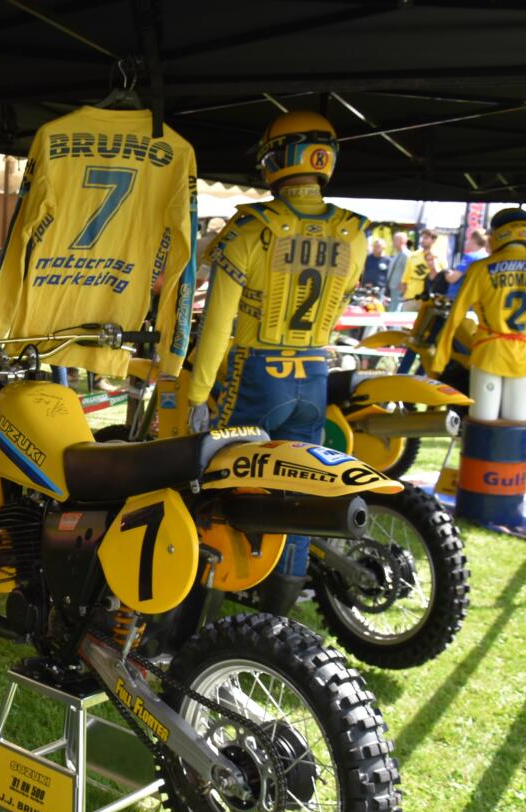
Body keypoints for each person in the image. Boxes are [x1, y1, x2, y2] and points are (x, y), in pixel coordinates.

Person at [186, 111, 368, 616]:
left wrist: (198, 393)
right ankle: (278, 609)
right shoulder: (353, 233)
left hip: (256, 373)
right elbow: (341, 299)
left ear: (274, 160)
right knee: (297, 493)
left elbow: (217, 325)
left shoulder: (252, 228)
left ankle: (207, 604)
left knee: (219, 484)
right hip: (313, 373)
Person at [434, 208, 526, 423]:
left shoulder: (481, 268)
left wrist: (439, 360)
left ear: (500, 234)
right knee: (517, 425)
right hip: (524, 355)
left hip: (489, 352)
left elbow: (456, 314)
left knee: (481, 424)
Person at [443, 228, 489, 301]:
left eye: (468, 239)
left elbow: (452, 279)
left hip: (459, 298)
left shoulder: (470, 257)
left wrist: (446, 271)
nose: (466, 242)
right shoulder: (487, 257)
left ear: (473, 240)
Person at [398, 228, 440, 307]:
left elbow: (442, 278)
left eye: (426, 238)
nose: (423, 240)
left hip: (430, 299)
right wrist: (404, 296)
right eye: (422, 238)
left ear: (433, 240)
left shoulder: (439, 257)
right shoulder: (413, 256)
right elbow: (405, 279)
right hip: (411, 297)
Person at [385, 231, 411, 312]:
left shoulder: (406, 254)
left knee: (396, 310)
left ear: (401, 241)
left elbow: (408, 270)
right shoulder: (398, 253)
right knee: (392, 308)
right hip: (394, 287)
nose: (393, 242)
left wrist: (403, 283)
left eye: (395, 240)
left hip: (399, 288)